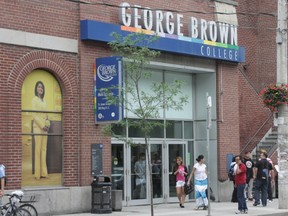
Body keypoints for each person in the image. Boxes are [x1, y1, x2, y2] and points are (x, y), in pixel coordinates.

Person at [32, 81, 50, 180]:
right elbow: (34, 115)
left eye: (42, 87)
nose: (40, 89)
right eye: (39, 87)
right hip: (38, 127)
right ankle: (37, 174)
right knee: (38, 149)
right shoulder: (34, 100)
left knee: (44, 149)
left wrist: (47, 124)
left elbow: (47, 115)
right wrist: (42, 125)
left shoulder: (44, 101)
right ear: (36, 88)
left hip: (45, 128)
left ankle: (44, 173)